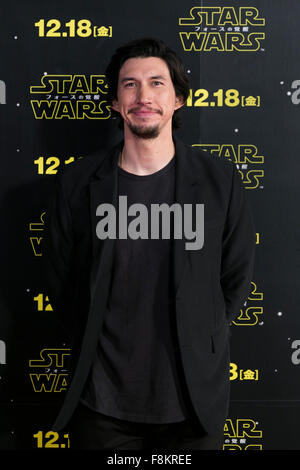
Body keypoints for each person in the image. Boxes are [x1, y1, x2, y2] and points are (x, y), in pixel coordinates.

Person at [43, 37, 256, 450]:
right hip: (101, 407)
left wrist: (201, 332)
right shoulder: (76, 183)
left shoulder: (221, 182)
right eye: (129, 85)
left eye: (157, 83)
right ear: (115, 103)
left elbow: (235, 277)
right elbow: (59, 280)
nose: (143, 96)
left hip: (191, 408)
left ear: (178, 99)